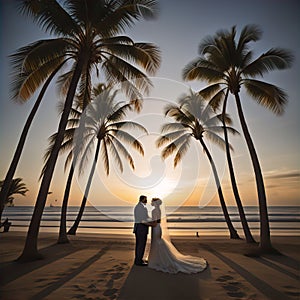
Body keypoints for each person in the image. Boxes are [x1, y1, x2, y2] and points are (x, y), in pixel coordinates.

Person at [147, 198, 207, 274]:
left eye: (152, 202)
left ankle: (157, 260)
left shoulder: (154, 211)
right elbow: (157, 222)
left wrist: (147, 223)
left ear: (155, 203)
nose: (151, 203)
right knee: (158, 242)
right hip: (159, 228)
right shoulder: (159, 210)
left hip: (155, 228)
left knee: (156, 243)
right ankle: (158, 259)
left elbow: (154, 223)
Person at [133, 195, 153, 266]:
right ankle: (139, 261)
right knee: (141, 245)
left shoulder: (138, 207)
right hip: (141, 228)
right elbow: (142, 220)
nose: (146, 201)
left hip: (138, 228)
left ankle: (138, 259)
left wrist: (153, 219)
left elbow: (146, 217)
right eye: (146, 199)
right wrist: (150, 224)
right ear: (143, 199)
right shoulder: (140, 208)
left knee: (139, 245)